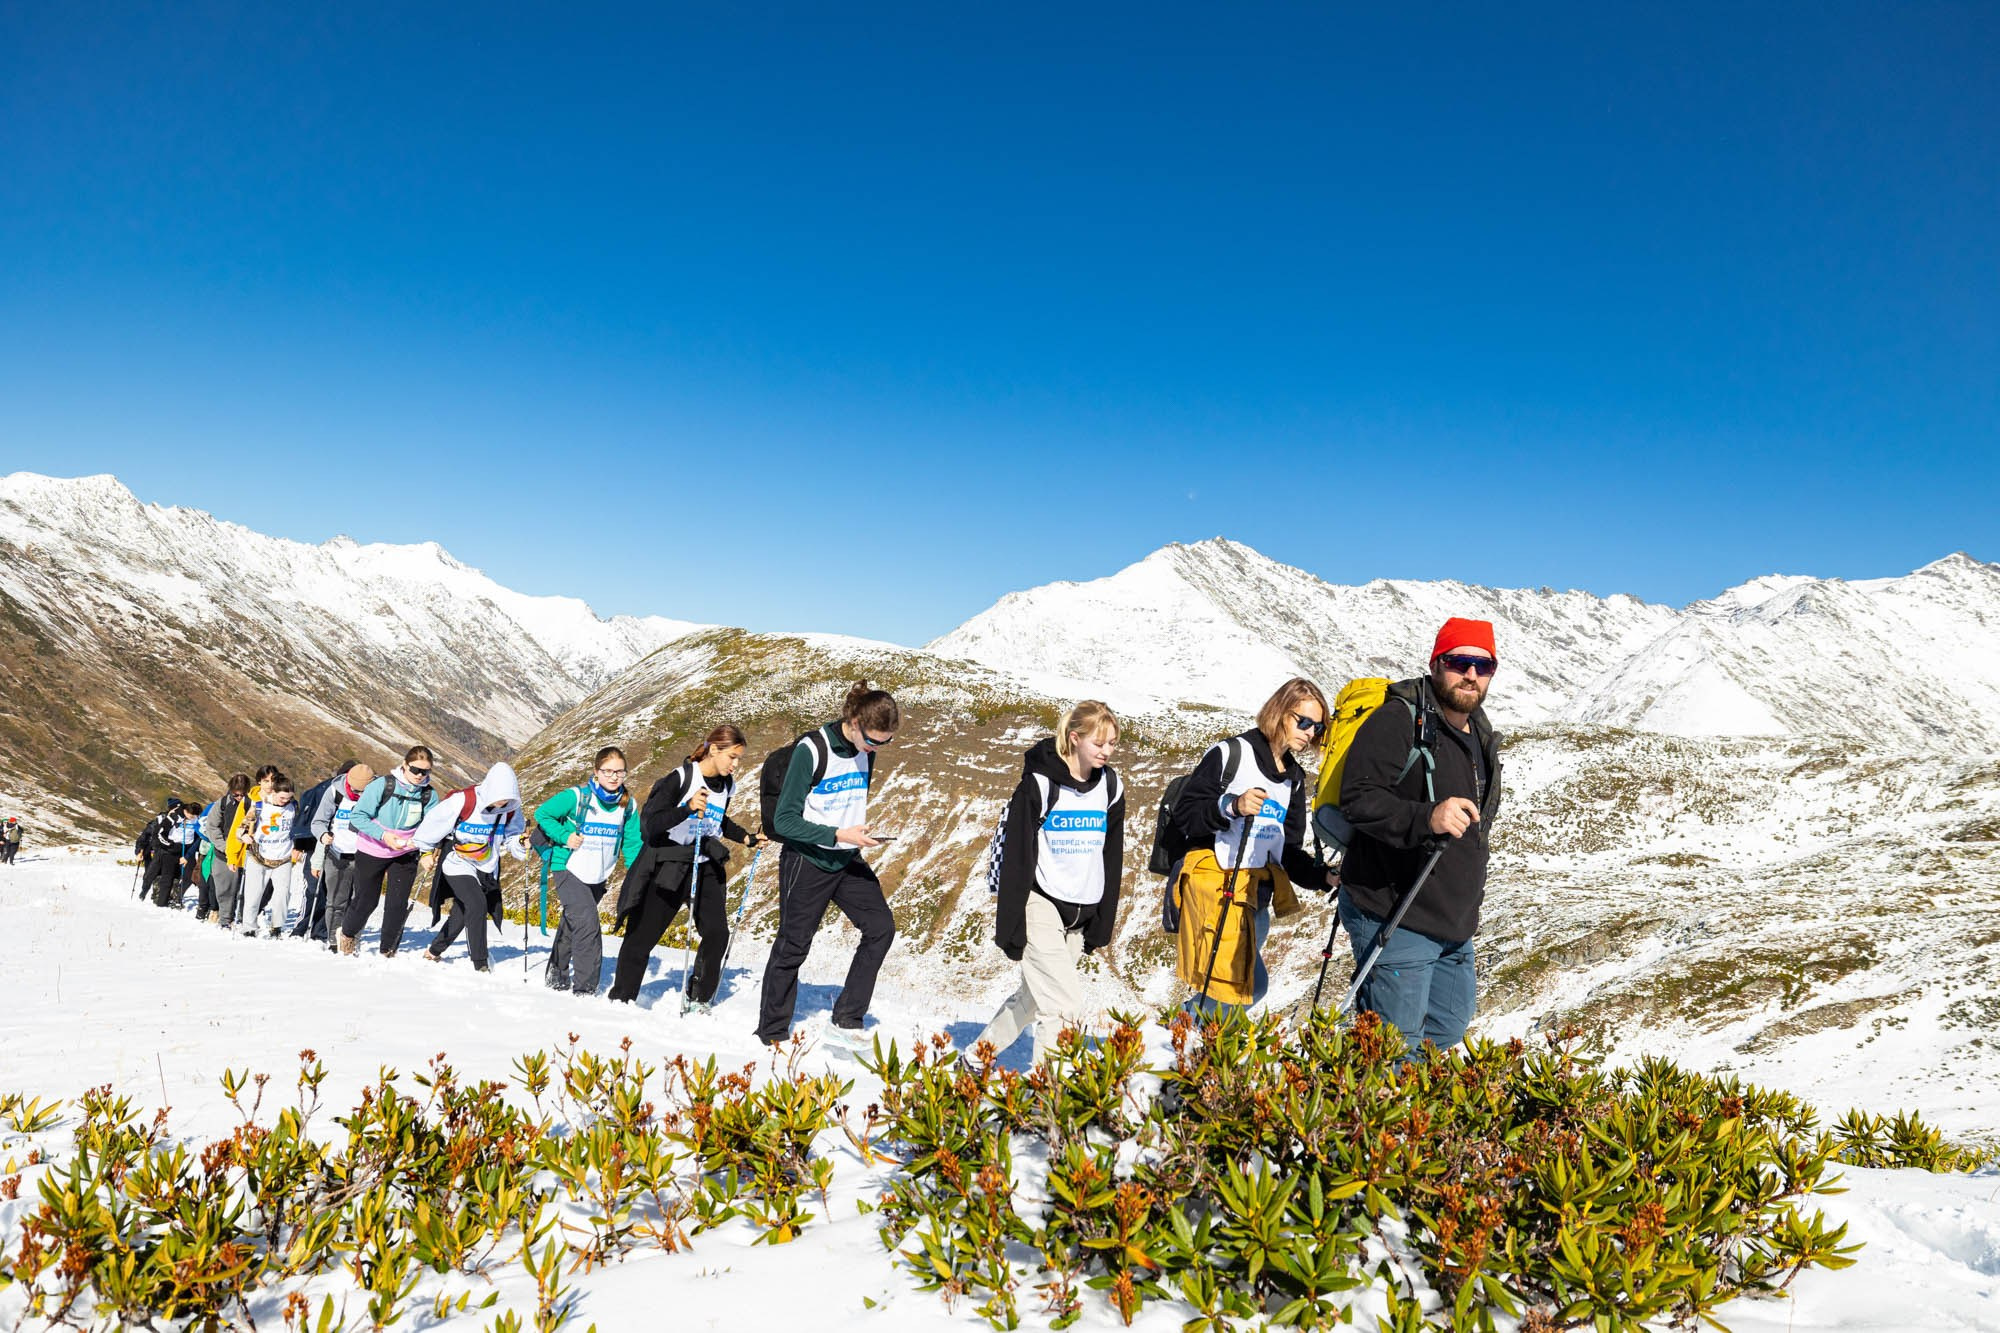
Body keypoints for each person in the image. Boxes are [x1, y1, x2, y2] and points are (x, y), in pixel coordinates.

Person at [1336, 617, 1502, 1052]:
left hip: (1453, 924)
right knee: (1393, 1050)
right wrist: (1428, 817)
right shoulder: (1398, 720)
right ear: (1435, 664)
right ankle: (1361, 1116)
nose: (1471, 675)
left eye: (1483, 667)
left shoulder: (1477, 731)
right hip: (1395, 914)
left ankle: (1408, 1116)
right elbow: (1358, 798)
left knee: (1444, 1032)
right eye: (1459, 662)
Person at [1168, 678, 1336, 1014]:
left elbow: (1286, 851)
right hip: (1218, 891)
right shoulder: (1231, 755)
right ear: (1279, 712)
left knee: (1243, 989)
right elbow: (1186, 814)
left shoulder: (1294, 779)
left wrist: (1323, 878)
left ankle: (1187, 1030)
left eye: (1317, 727)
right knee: (1243, 989)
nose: (1309, 733)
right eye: (1302, 721)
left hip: (1256, 899)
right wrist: (1231, 806)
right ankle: (1195, 1042)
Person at [974, 700, 1126, 1065]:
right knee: (1063, 1006)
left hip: (1080, 912)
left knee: (1032, 999)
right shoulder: (1039, 785)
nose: (1107, 751)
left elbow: (1112, 854)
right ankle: (1049, 1101)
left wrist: (1103, 919)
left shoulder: (1111, 786)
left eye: (1112, 744)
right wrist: (1010, 924)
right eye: (1099, 743)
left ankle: (976, 1059)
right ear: (1074, 738)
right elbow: (1016, 858)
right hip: (1039, 901)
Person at [756, 681, 901, 1050]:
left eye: (884, 742)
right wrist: (840, 834)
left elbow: (846, 798)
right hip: (807, 861)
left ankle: (847, 1018)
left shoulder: (866, 751)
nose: (876, 749)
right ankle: (771, 1032)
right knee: (793, 946)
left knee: (881, 928)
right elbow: (785, 822)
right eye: (873, 740)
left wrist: (855, 832)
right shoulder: (811, 750)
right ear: (853, 722)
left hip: (846, 857)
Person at [612, 725, 764, 1009]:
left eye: (739, 759)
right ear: (714, 750)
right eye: (732, 757)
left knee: (717, 933)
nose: (735, 764)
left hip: (704, 863)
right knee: (643, 936)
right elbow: (650, 825)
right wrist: (687, 808)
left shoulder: (727, 785)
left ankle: (699, 999)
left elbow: (718, 819)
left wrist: (747, 838)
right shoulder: (682, 778)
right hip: (669, 863)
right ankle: (622, 998)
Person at [533, 747, 641, 995]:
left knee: (574, 924)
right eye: (608, 771)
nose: (614, 777)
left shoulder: (628, 806)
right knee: (588, 925)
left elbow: (633, 843)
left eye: (619, 772)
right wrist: (565, 836)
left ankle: (556, 974)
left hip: (599, 875)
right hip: (569, 868)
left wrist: (637, 875)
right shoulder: (577, 797)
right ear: (596, 772)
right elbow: (543, 813)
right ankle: (585, 990)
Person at [415, 762, 530, 971]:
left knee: (463, 911)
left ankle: (434, 950)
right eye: (498, 797)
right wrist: (426, 851)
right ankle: (481, 963)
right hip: (457, 860)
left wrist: (521, 843)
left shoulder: (511, 809)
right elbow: (432, 824)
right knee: (477, 904)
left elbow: (512, 836)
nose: (502, 802)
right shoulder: (463, 801)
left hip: (486, 863)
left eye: (507, 797)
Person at [338, 746, 441, 957]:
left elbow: (432, 827)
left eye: (426, 772)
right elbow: (358, 817)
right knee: (366, 901)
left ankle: (388, 949)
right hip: (372, 848)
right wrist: (384, 836)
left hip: (405, 851)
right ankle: (347, 933)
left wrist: (426, 852)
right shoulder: (382, 785)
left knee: (397, 903)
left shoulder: (429, 795)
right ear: (404, 765)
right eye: (416, 770)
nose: (420, 776)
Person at [311, 761, 374, 952]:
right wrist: (323, 835)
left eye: (365, 791)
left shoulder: (378, 794)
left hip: (366, 855)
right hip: (337, 853)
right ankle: (333, 941)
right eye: (357, 791)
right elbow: (319, 821)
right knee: (336, 901)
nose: (361, 795)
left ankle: (352, 940)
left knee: (360, 903)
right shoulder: (334, 792)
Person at [233, 774, 303, 937]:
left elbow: (298, 827)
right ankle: (249, 927)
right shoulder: (259, 806)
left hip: (283, 857)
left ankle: (276, 926)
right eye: (281, 797)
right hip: (258, 856)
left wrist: (299, 846)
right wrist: (244, 836)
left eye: (288, 798)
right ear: (274, 792)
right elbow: (240, 829)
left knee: (283, 894)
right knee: (253, 894)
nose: (284, 801)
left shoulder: (293, 806)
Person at [201, 774, 251, 924]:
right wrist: (225, 847)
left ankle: (243, 919)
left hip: (247, 853)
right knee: (224, 889)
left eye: (243, 794)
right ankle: (225, 919)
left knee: (245, 890)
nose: (239, 797)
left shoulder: (253, 804)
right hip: (223, 854)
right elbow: (211, 827)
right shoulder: (222, 804)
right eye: (236, 794)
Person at [140, 800, 184, 906]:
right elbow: (145, 836)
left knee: (175, 875)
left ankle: (171, 896)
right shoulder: (160, 819)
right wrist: (140, 850)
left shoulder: (182, 820)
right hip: (159, 851)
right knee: (153, 874)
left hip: (174, 853)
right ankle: (148, 892)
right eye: (175, 809)